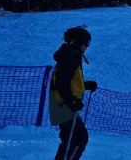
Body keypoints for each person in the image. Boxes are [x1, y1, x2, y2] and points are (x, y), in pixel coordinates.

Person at [50, 26, 98, 160]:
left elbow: (69, 81)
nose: (87, 46)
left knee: (73, 139)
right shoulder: (69, 57)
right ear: (77, 42)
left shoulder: (70, 55)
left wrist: (85, 85)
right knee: (78, 138)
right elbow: (62, 83)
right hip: (64, 105)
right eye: (86, 43)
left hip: (63, 104)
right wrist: (72, 101)